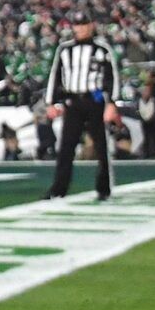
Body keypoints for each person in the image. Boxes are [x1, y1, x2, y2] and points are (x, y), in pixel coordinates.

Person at [44, 11, 120, 201]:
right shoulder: (64, 49)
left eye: (83, 24)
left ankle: (104, 188)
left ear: (91, 26)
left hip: (95, 100)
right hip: (72, 102)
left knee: (101, 146)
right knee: (66, 147)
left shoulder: (102, 49)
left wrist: (111, 102)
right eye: (77, 25)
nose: (80, 28)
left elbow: (112, 77)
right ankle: (58, 189)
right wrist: (51, 102)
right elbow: (55, 76)